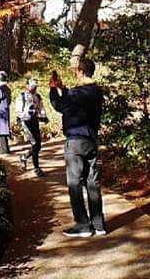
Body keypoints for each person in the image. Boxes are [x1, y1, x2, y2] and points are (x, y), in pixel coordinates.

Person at [49, 58, 106, 237]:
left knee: (75, 183)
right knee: (93, 182)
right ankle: (98, 224)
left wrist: (53, 90)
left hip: (75, 141)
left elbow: (60, 105)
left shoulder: (77, 93)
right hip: (91, 140)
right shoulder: (97, 92)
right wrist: (64, 89)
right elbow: (75, 101)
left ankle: (82, 224)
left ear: (80, 72)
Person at [16, 78, 48, 176]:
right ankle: (36, 168)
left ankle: (24, 157)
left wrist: (43, 117)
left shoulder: (38, 97)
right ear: (27, 86)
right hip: (26, 123)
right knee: (35, 144)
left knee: (37, 145)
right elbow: (18, 112)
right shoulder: (22, 97)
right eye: (32, 86)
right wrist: (26, 116)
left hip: (35, 122)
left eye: (35, 87)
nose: (33, 89)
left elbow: (41, 108)